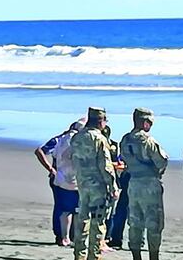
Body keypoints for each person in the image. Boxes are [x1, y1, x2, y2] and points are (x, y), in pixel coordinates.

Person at [70, 107, 119, 260]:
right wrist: (113, 187)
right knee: (98, 222)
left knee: (82, 219)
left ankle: (79, 254)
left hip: (82, 183)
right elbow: (106, 166)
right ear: (100, 121)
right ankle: (94, 255)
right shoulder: (99, 138)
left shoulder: (77, 137)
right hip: (98, 185)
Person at [121, 108, 170, 260]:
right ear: (144, 122)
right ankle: (153, 256)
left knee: (135, 221)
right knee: (154, 222)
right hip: (150, 184)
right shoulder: (148, 141)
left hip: (133, 183)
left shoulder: (125, 139)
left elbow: (124, 158)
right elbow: (161, 161)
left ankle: (136, 255)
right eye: (149, 122)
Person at [34, 119, 84, 246]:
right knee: (64, 208)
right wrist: (51, 168)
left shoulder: (60, 139)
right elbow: (39, 151)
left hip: (61, 177)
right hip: (62, 178)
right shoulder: (61, 140)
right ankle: (61, 235)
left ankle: (65, 235)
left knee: (65, 207)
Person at [104, 125, 128, 250]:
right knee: (116, 211)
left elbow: (121, 162)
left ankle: (113, 237)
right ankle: (113, 237)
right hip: (115, 180)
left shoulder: (115, 144)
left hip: (120, 180)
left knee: (117, 211)